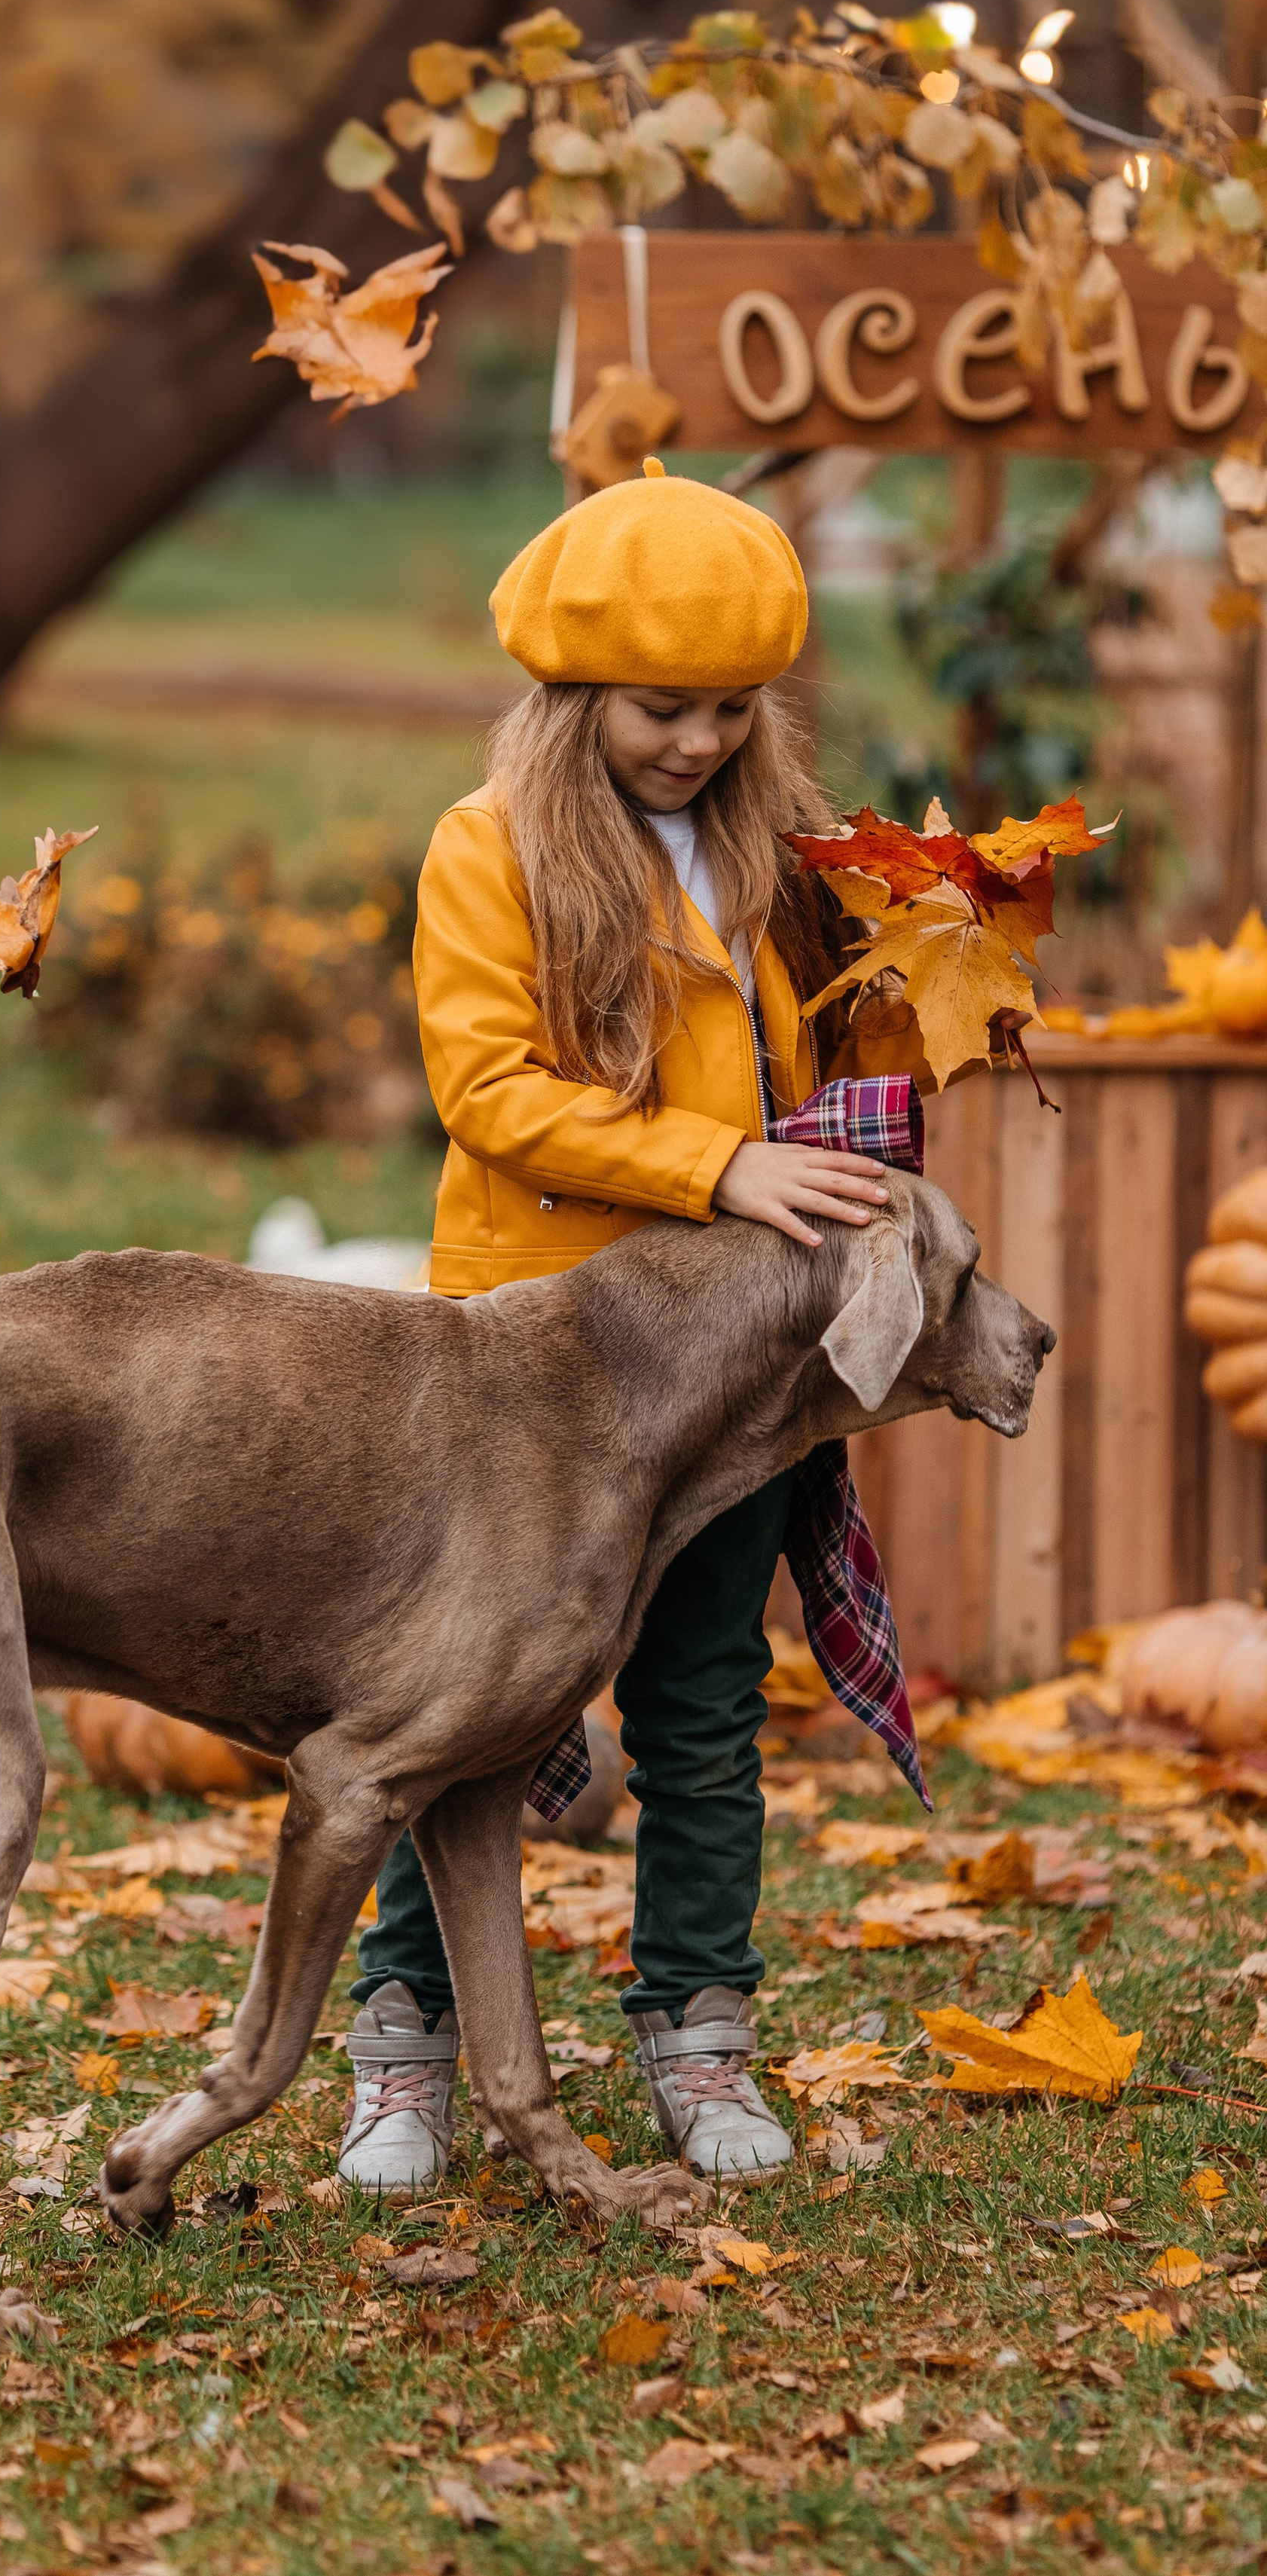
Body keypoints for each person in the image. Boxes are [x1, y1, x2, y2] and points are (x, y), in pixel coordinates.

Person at [337, 459, 912, 2195]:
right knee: (469, 1706)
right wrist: (715, 1166)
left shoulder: (784, 852)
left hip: (725, 1361)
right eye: (665, 708)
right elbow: (489, 1089)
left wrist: (912, 988)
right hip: (528, 1358)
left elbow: (832, 1071)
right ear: (574, 687)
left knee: (704, 1697)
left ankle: (697, 2025)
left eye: (733, 710)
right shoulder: (487, 848)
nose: (698, 742)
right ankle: (401, 2042)